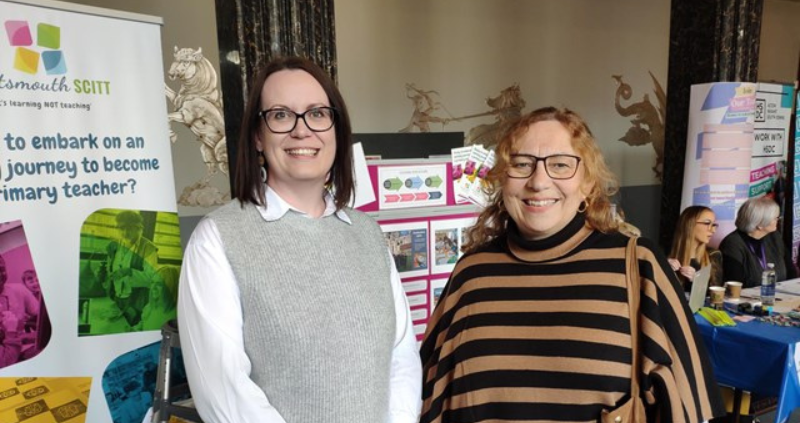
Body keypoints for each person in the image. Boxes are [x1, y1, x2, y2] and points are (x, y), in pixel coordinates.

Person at [420, 107, 724, 422]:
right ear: (502, 179)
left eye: (561, 165)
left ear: (589, 183)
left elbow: (695, 401)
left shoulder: (637, 265)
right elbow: (426, 396)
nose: (538, 182)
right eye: (522, 164)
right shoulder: (472, 273)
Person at [177, 56, 421, 423]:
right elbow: (224, 391)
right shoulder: (218, 239)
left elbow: (400, 355)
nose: (302, 130)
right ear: (258, 136)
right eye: (280, 115)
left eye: (317, 113)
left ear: (336, 128)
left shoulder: (368, 234)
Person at [719, 195, 796, 288]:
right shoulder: (732, 243)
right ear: (760, 224)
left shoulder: (775, 236)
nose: (778, 220)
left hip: (783, 296)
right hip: (749, 300)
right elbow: (734, 283)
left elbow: (791, 272)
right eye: (775, 218)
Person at [102, 210, 158, 328]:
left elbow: (151, 278)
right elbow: (109, 268)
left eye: (130, 228)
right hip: (116, 297)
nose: (125, 232)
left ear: (139, 228)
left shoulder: (148, 248)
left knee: (131, 329)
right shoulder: (114, 246)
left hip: (136, 301)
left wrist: (129, 272)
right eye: (122, 228)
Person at [668, 206, 723, 289]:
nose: (713, 230)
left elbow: (715, 294)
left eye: (714, 225)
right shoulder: (665, 255)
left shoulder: (713, 255)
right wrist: (664, 270)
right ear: (690, 224)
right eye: (707, 223)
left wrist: (697, 281)